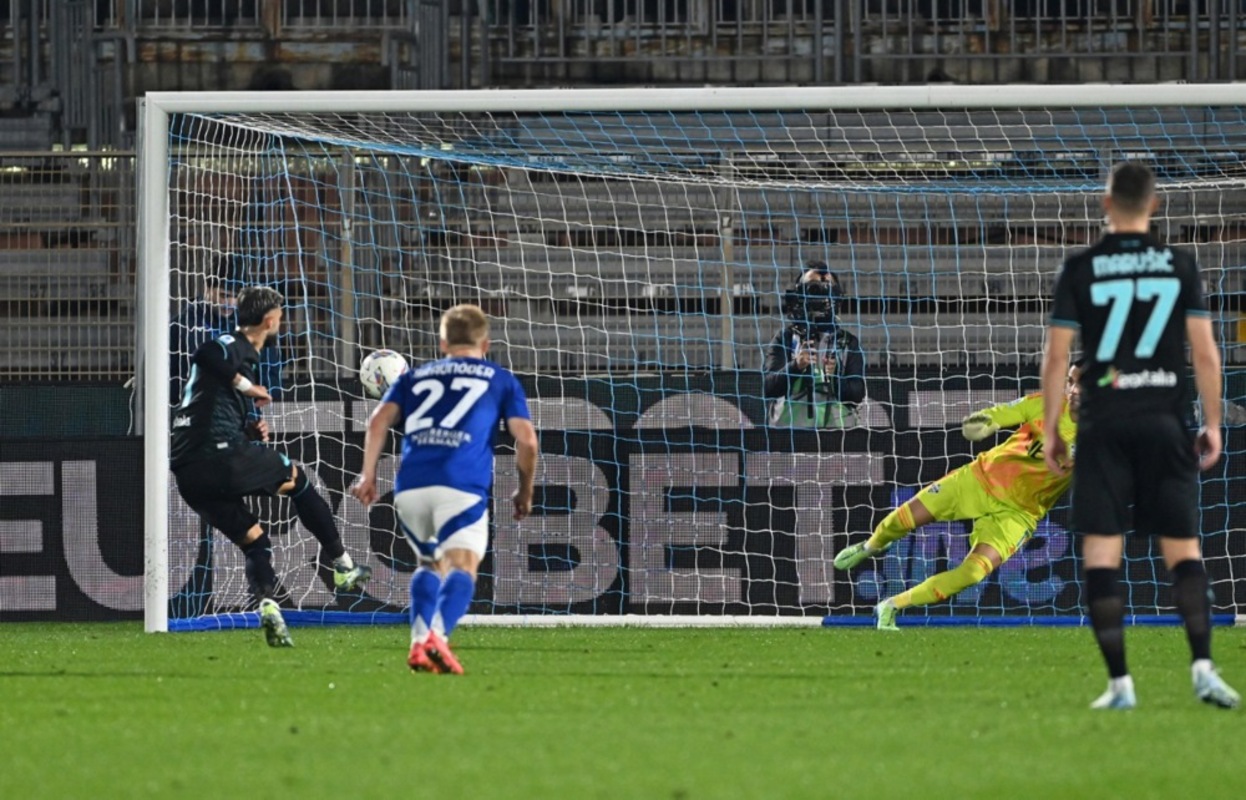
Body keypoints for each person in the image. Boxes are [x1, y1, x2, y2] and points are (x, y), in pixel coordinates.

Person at [1041, 160, 1239, 710]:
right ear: (1154, 206)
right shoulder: (1179, 264)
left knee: (1102, 555)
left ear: (1106, 205)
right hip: (1164, 419)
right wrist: (1214, 423)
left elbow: (1058, 358)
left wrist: (1053, 427)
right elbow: (1204, 352)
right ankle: (1202, 668)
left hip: (1104, 423)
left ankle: (1120, 685)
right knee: (1183, 552)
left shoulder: (1080, 267)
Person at [171, 286, 372, 647]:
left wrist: (248, 424)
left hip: (189, 473)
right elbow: (204, 354)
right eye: (279, 314)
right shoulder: (232, 343)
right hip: (219, 457)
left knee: (255, 541)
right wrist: (249, 388)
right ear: (269, 320)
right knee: (298, 480)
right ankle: (343, 566)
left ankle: (266, 605)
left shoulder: (240, 355)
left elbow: (210, 399)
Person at [351, 304, 538, 674]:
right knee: (463, 567)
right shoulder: (499, 379)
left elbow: (377, 422)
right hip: (460, 484)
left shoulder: (414, 378)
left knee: (429, 563)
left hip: (410, 488)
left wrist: (368, 476)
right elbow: (527, 441)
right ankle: (437, 636)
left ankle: (419, 644)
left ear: (442, 344)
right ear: (486, 343)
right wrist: (525, 490)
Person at [834, 362, 1082, 629]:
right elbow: (1001, 414)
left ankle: (891, 605)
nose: (1074, 390)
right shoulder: (1045, 405)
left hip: (1019, 513)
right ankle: (870, 546)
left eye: (1083, 384)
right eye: (1070, 381)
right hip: (978, 480)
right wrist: (986, 422)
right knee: (903, 519)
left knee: (974, 572)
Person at [763, 263, 866, 428]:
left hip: (839, 438)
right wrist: (796, 366)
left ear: (836, 296)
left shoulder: (847, 342)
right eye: (812, 288)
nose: (818, 294)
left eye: (825, 287)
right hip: (789, 437)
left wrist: (836, 377)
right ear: (799, 294)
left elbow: (857, 395)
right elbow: (769, 387)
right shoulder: (786, 338)